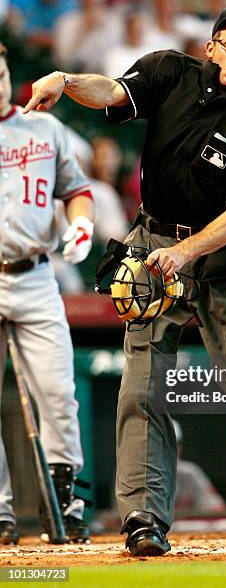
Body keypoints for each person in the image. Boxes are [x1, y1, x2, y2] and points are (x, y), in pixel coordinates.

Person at [24, 3, 226, 557]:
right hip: (152, 245)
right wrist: (66, 80)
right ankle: (143, 515)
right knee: (142, 387)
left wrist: (186, 252)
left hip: (218, 254)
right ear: (211, 46)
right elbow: (112, 91)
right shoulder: (169, 71)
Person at [0, 42, 93, 545]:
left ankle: (65, 502)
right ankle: (1, 512)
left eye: (0, 73)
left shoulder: (44, 127)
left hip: (35, 275)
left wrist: (81, 228)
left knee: (58, 395)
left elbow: (76, 191)